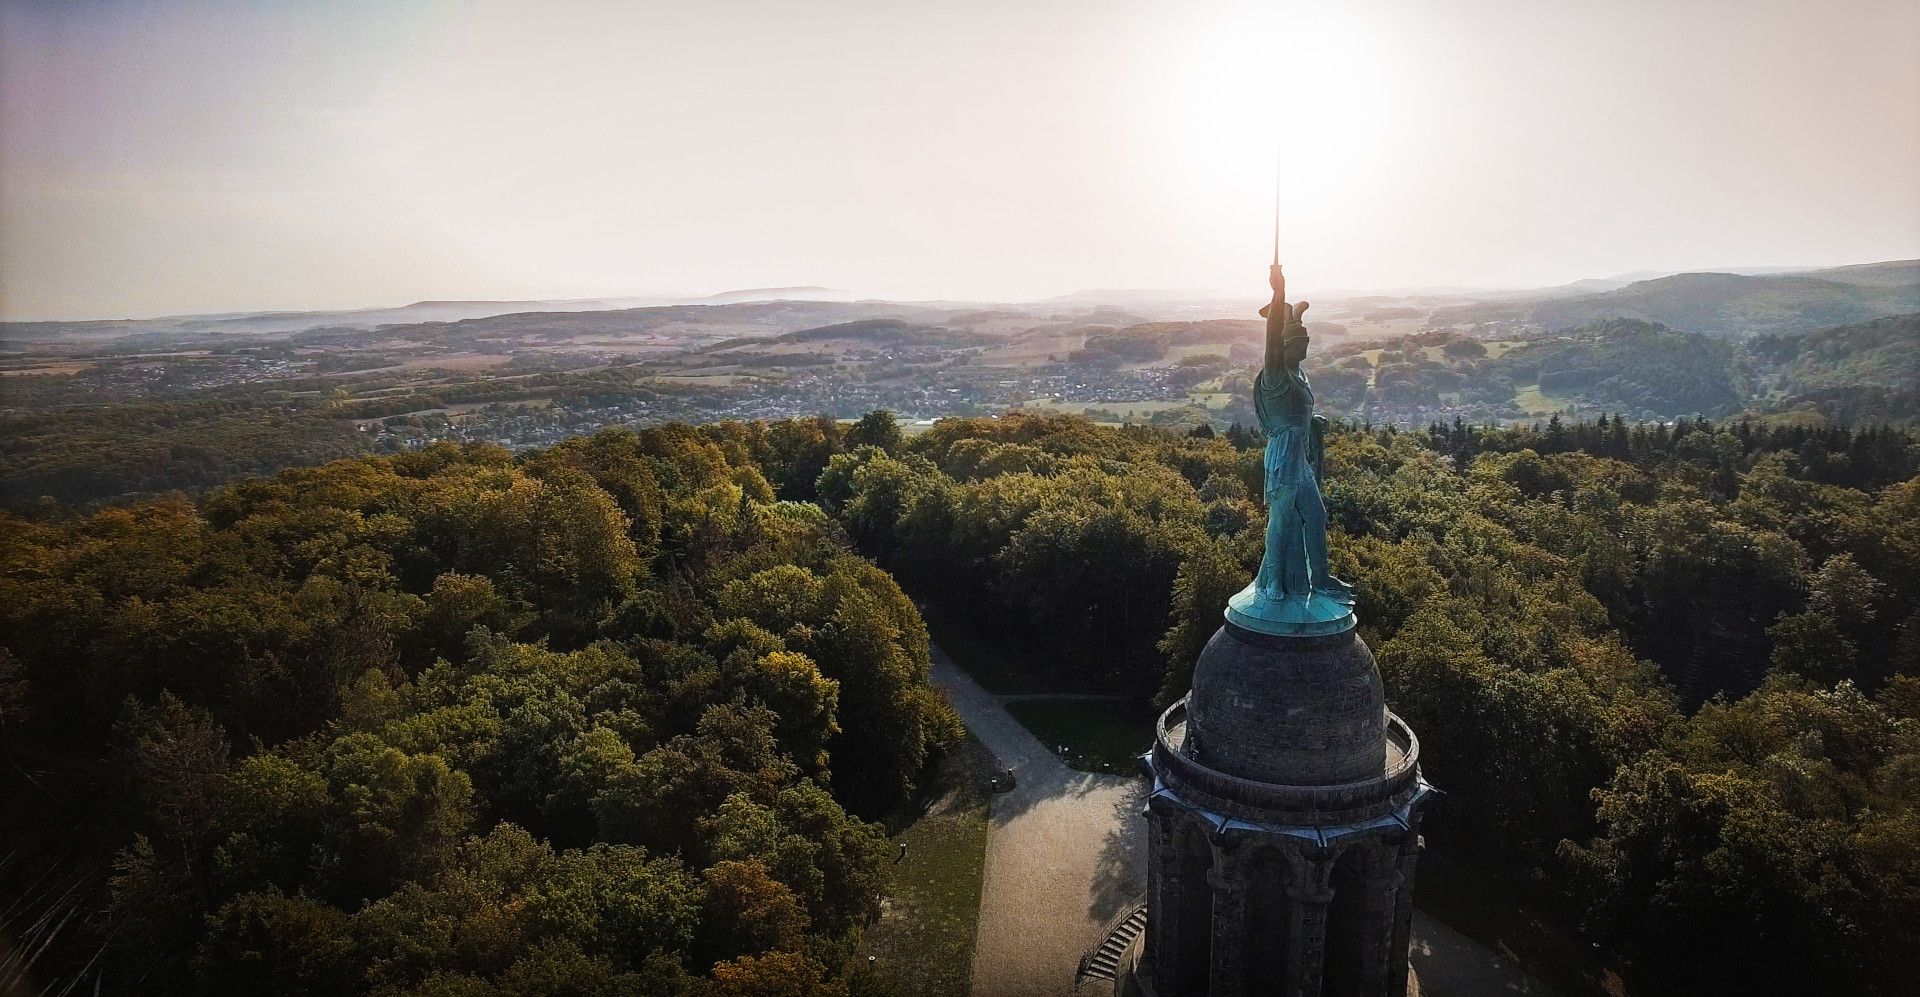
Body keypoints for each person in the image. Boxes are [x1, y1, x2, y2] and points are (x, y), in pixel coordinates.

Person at [1251, 264, 1354, 606]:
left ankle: (1321, 578)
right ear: (1287, 345)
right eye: (1300, 342)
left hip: (1301, 458)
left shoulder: (1300, 376)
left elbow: (1302, 414)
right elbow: (1271, 342)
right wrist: (1279, 293)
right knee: (1280, 520)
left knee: (1316, 515)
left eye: (1307, 341)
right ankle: (1274, 581)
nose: (1306, 347)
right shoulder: (1276, 375)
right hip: (1283, 457)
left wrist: (1314, 425)